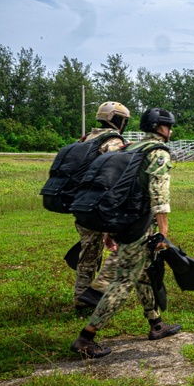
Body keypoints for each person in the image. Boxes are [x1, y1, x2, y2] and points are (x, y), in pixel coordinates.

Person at [70, 108, 182, 359]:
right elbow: (159, 196)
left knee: (142, 273)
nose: (171, 130)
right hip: (139, 225)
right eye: (168, 125)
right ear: (159, 127)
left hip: (121, 221)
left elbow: (113, 190)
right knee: (123, 282)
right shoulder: (157, 152)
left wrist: (111, 228)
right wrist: (163, 233)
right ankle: (86, 337)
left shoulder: (130, 148)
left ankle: (156, 324)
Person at [73, 101, 130, 313]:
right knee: (109, 250)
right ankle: (86, 299)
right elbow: (119, 169)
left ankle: (86, 295)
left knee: (89, 251)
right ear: (116, 120)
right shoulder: (111, 140)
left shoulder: (86, 138)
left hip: (80, 202)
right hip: (99, 205)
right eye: (123, 120)